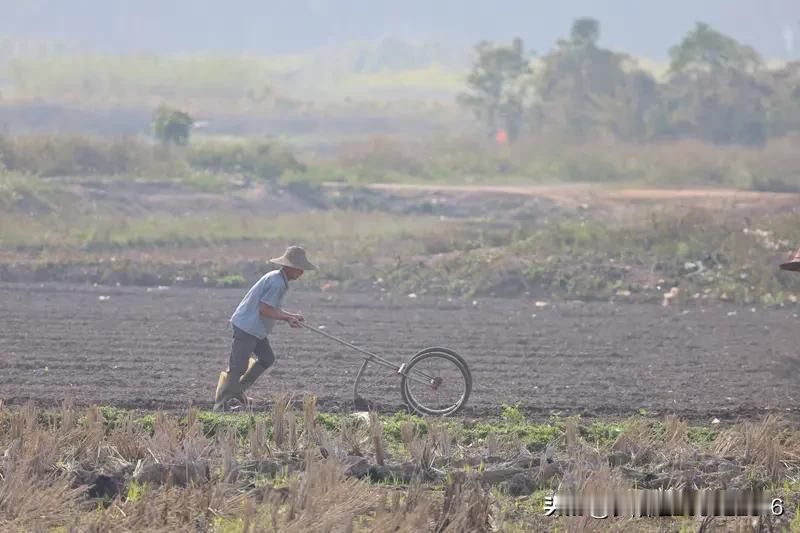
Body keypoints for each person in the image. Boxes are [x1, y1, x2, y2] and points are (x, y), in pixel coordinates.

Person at [214, 245, 317, 411]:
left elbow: (270, 308)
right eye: (299, 269)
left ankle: (237, 391)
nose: (302, 273)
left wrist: (290, 316)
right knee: (238, 367)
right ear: (290, 267)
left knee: (267, 358)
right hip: (247, 326)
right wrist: (287, 318)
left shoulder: (277, 278)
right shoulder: (277, 283)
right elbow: (265, 309)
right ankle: (222, 406)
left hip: (256, 328)